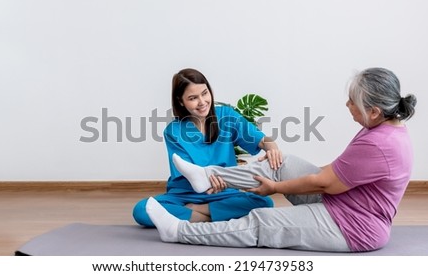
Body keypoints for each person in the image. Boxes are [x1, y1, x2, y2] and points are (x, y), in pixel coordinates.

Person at [145, 67, 417, 252]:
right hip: (343, 202)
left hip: (353, 224)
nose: (348, 105)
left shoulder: (378, 144)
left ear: (373, 111)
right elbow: (334, 175)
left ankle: (179, 231)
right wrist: (275, 171)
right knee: (281, 163)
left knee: (263, 219)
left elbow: (325, 183)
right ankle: (205, 177)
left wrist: (275, 188)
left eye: (352, 102)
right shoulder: (381, 129)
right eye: (193, 97)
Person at [132, 68, 282, 227]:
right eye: (193, 98)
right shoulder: (173, 132)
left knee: (264, 202)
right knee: (142, 210)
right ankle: (211, 218)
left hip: (225, 193)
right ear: (181, 101)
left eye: (205, 93)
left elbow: (261, 139)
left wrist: (272, 148)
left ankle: (197, 213)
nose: (202, 102)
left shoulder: (226, 115)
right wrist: (210, 181)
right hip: (186, 195)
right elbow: (189, 175)